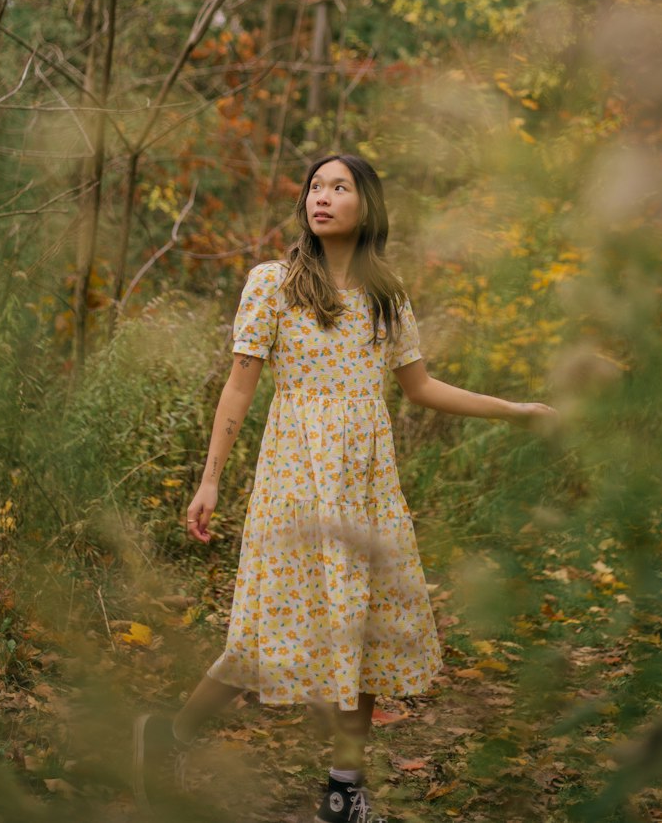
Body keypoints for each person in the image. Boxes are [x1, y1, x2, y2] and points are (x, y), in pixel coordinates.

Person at [133, 153, 556, 823]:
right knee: (257, 636)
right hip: (295, 479)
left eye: (340, 187)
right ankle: (171, 737)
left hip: (365, 483)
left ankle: (344, 790)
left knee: (363, 631)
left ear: (368, 207)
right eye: (315, 187)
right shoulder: (274, 284)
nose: (321, 197)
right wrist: (209, 481)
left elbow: (420, 389)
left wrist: (512, 409)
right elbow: (239, 385)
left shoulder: (386, 296)